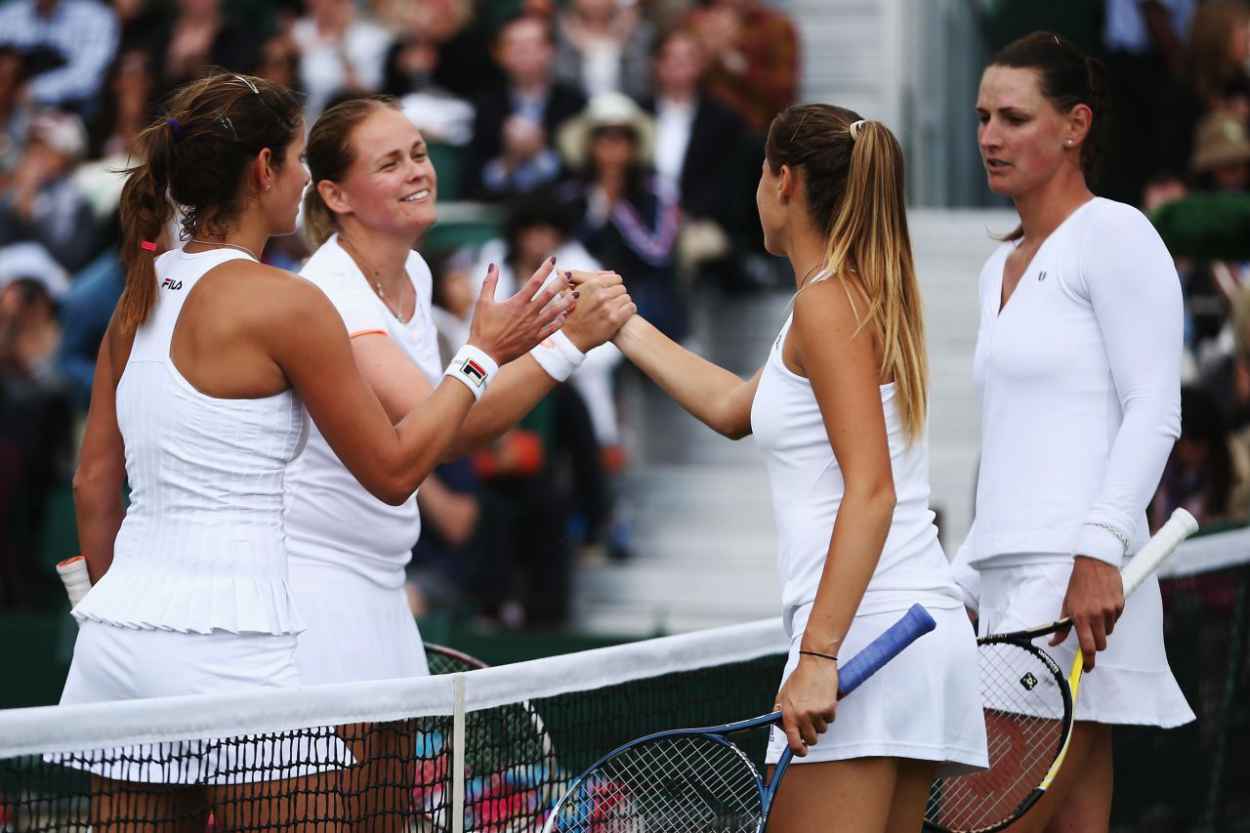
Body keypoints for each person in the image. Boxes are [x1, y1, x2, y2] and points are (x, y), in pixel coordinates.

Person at [60, 71, 568, 829]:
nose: (303, 176)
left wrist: (113, 611)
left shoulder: (138, 293)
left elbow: (92, 484)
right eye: (297, 158)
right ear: (264, 170)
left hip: (115, 649)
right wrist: (479, 356)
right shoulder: (293, 303)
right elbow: (395, 472)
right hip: (236, 650)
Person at [583, 102, 987, 833]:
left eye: (759, 174)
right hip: (910, 636)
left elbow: (871, 489)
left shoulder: (827, 302)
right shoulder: (846, 294)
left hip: (866, 637)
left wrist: (818, 654)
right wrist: (622, 325)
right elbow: (738, 408)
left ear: (786, 182)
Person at [288, 95, 633, 830]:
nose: (419, 171)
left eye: (419, 153)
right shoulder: (329, 292)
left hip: (380, 586)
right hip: (315, 599)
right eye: (391, 162)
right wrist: (567, 343)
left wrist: (544, 339)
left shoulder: (411, 268)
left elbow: (460, 405)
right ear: (336, 195)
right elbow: (449, 422)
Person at [957, 31, 1196, 832]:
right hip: (1012, 585)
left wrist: (1098, 547)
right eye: (983, 116)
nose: (991, 135)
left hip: (1076, 586)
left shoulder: (1119, 235)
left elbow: (1155, 409)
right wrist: (962, 577)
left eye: (1015, 117)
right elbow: (1015, 444)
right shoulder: (996, 268)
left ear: (1075, 125)